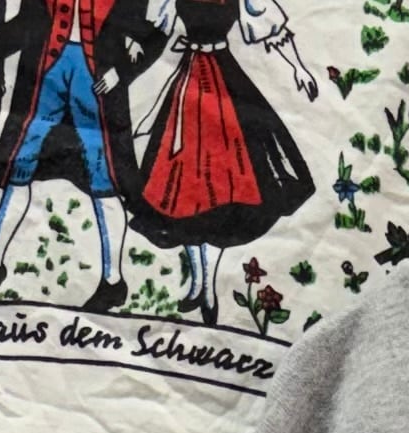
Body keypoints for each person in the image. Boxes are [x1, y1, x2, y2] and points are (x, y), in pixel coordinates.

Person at [0, 0, 163, 313]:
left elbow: (154, 36)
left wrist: (121, 73)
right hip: (45, 75)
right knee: (19, 164)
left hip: (96, 83)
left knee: (104, 178)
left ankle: (113, 282)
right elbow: (28, 22)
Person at [129, 0, 319, 326]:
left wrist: (298, 68)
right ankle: (196, 283)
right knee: (180, 190)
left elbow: (271, 28)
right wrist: (132, 45)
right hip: (188, 85)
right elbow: (155, 29)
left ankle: (208, 287)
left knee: (222, 186)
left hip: (224, 83)